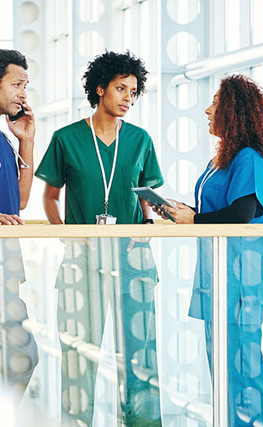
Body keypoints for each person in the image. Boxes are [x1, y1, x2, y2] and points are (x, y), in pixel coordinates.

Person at [35, 51, 164, 425]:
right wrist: (66, 236)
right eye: (121, 88)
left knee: (140, 358)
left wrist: (148, 229)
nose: (128, 97)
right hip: (82, 263)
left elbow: (146, 196)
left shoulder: (140, 139)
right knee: (78, 357)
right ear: (100, 88)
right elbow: (49, 197)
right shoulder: (67, 138)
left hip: (133, 261)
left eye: (134, 91)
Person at [157, 74, 263, 426]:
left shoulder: (249, 159)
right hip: (217, 277)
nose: (207, 110)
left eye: (215, 103)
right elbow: (215, 210)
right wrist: (179, 211)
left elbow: (243, 212)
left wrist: (195, 219)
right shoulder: (222, 159)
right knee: (224, 372)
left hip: (240, 279)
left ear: (233, 110)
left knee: (244, 372)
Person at [0, 48, 39, 402]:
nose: (23, 93)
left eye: (25, 85)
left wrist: (26, 140)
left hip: (7, 271)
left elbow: (21, 201)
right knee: (21, 357)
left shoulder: (4, 140)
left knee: (22, 358)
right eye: (17, 84)